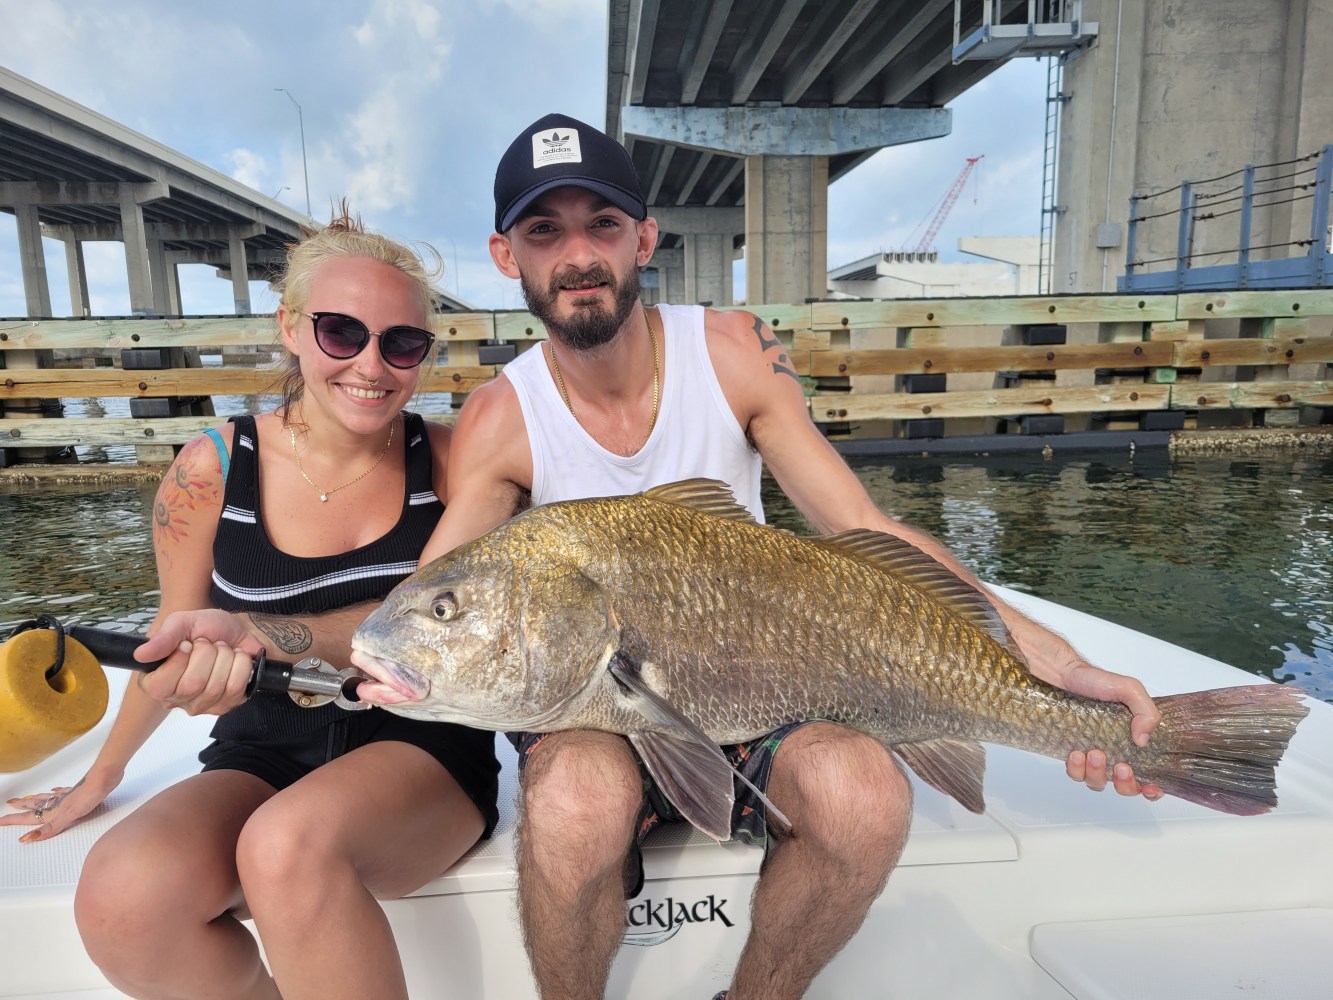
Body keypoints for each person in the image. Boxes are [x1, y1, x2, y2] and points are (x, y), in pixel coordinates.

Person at [111, 116, 1161, 1000]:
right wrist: (260, 630)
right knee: (572, 805)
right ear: (506, 255)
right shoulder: (497, 417)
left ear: (643, 236)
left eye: (600, 224)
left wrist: (1058, 666)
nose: (576, 253)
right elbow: (424, 592)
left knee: (864, 797)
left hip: (770, 679)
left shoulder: (733, 353)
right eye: (544, 229)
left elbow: (864, 532)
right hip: (590, 694)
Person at [1, 209, 499, 1000]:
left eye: (402, 343)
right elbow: (174, 637)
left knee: (285, 843)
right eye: (342, 332)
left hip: (422, 753)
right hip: (261, 752)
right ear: (292, 328)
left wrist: (261, 636)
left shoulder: (453, 465)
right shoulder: (209, 470)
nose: (372, 364)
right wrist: (105, 768)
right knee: (121, 895)